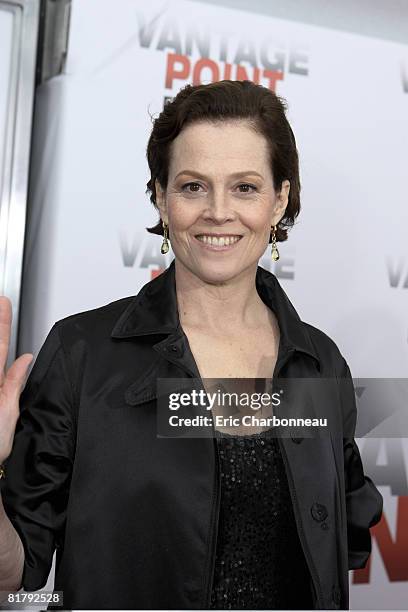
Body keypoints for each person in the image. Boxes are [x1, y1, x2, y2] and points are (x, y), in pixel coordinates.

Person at [0, 80, 383, 610]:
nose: (218, 211)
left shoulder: (318, 363)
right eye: (193, 186)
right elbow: (15, 572)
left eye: (245, 187)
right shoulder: (82, 353)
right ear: (161, 196)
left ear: (280, 201)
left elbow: (341, 541)